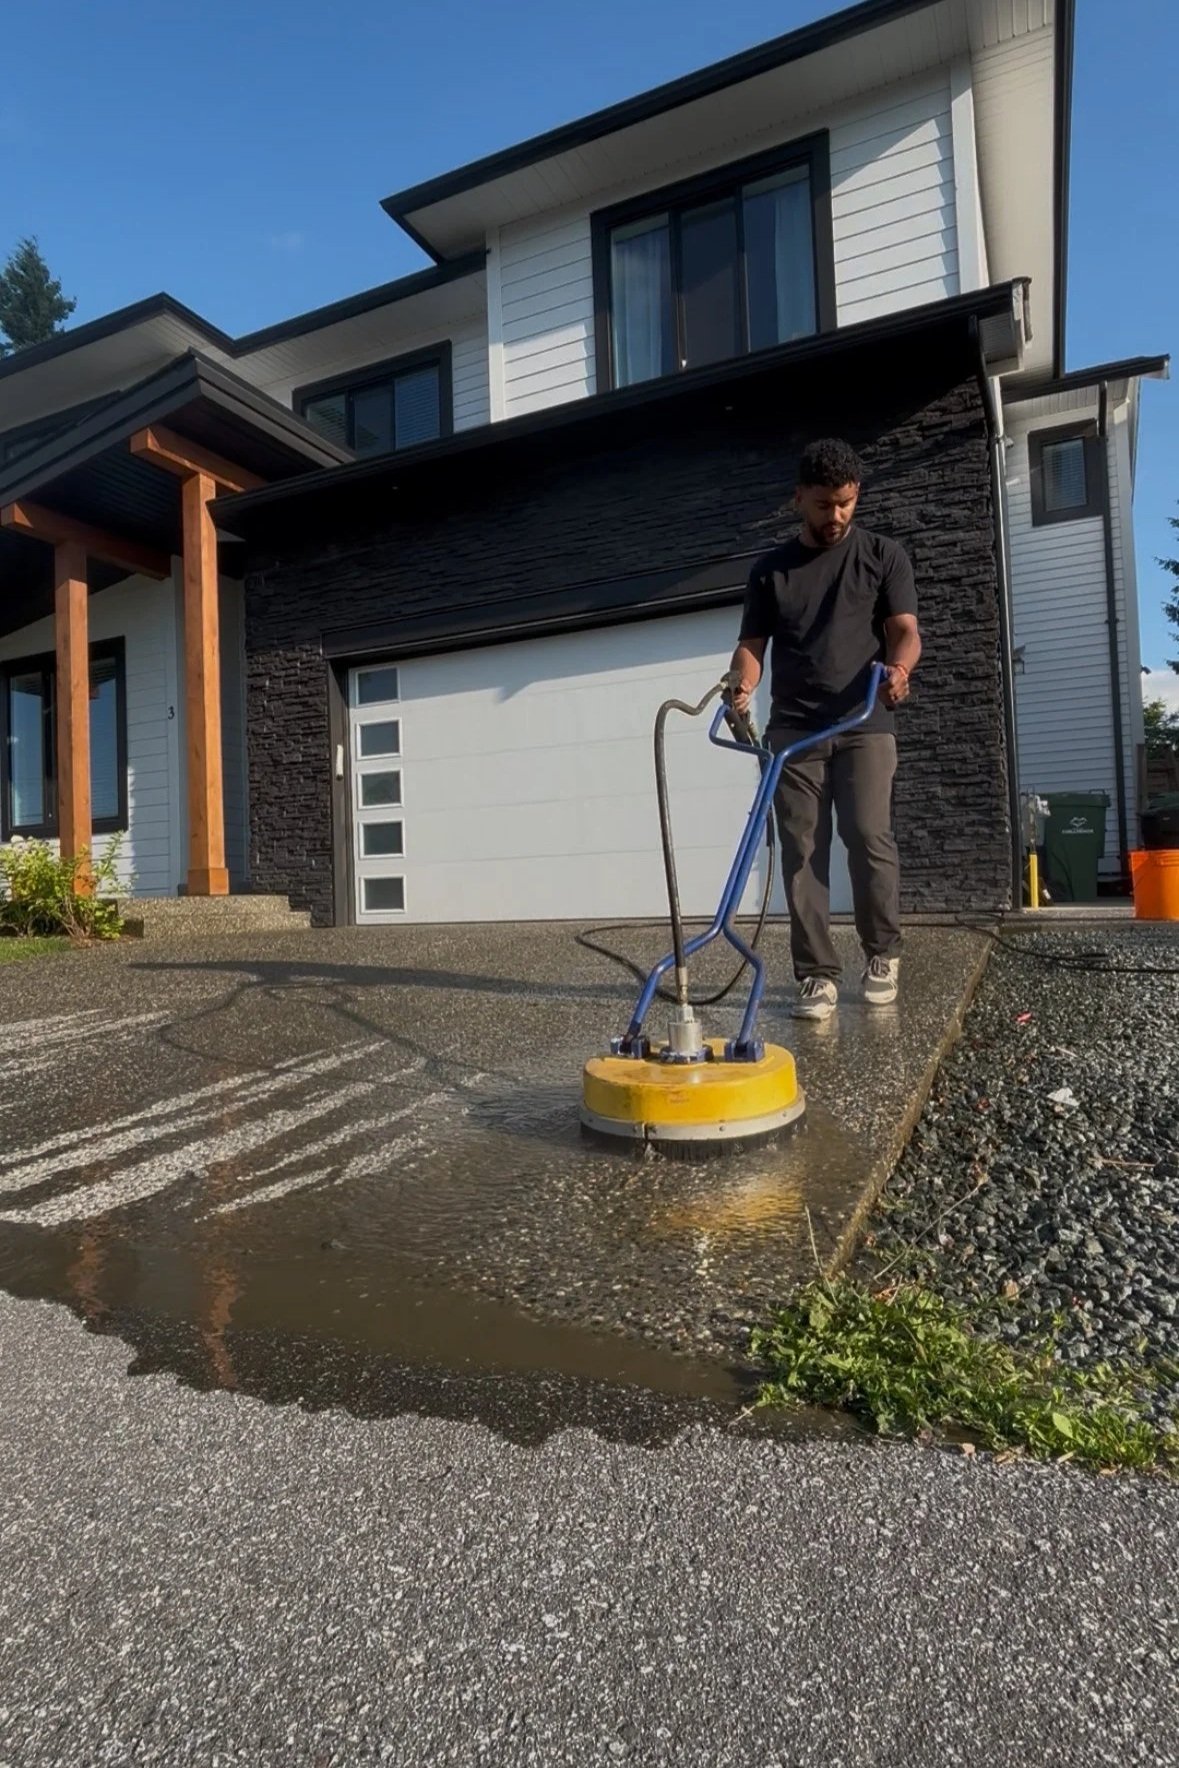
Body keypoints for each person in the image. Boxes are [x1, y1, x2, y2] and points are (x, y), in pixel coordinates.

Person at [728, 437, 921, 1019]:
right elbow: (751, 648)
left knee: (867, 835)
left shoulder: (883, 555)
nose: (835, 516)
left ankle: (882, 953)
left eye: (845, 502)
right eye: (822, 504)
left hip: (865, 720)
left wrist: (901, 669)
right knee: (802, 850)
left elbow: (905, 631)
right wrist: (739, 686)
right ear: (799, 500)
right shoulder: (770, 572)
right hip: (794, 729)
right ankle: (816, 973)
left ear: (855, 495)